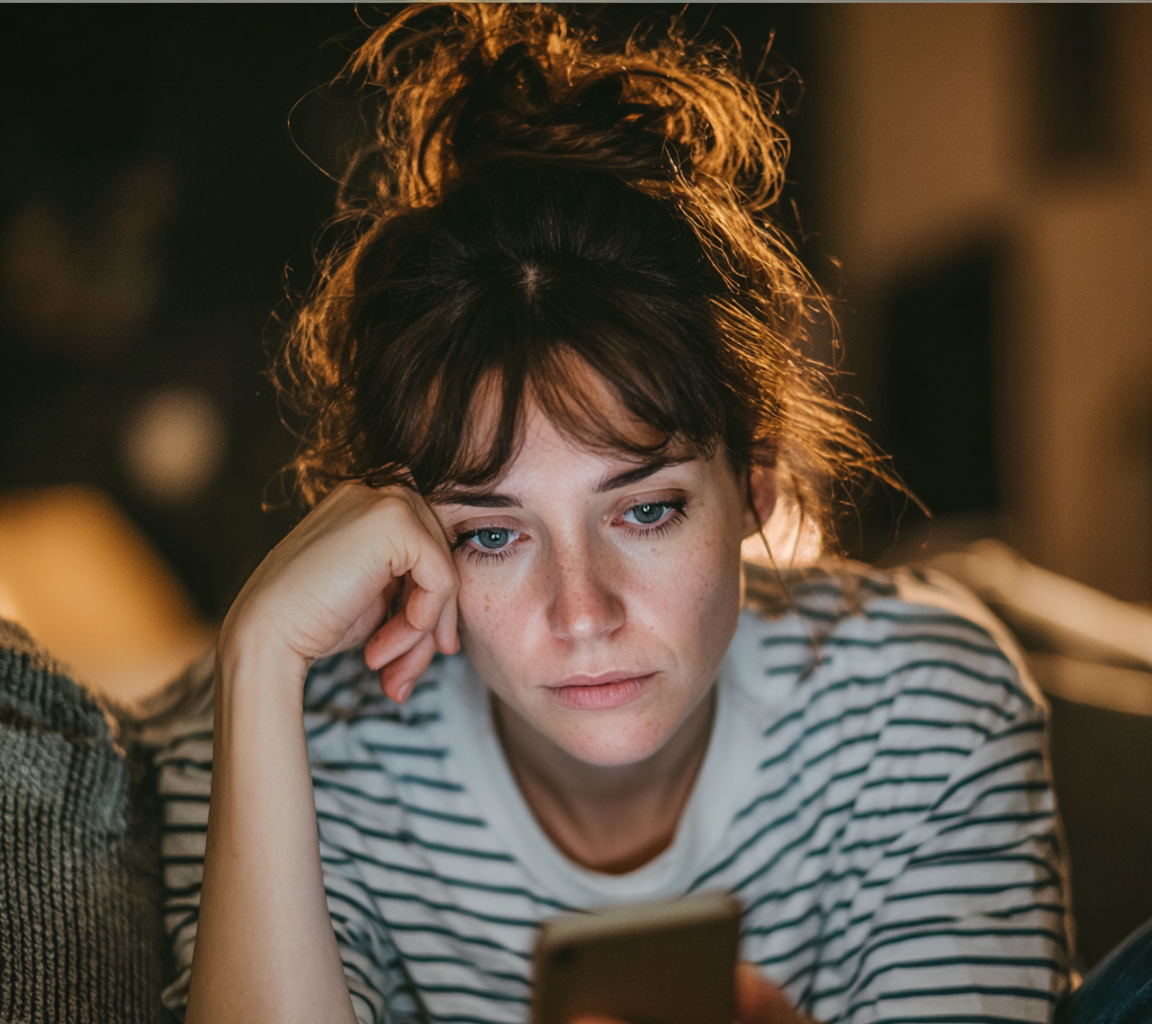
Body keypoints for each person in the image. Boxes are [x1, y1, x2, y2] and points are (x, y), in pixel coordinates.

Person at [155, 6, 1075, 1023]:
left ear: (755, 487)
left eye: (645, 510)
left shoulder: (920, 712)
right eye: (492, 534)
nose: (582, 613)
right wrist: (259, 651)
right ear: (401, 550)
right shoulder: (279, 742)